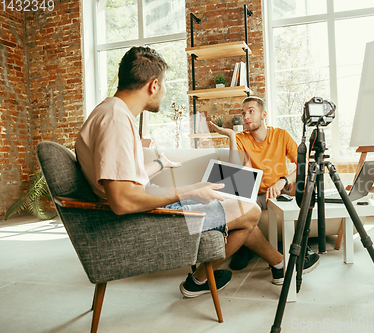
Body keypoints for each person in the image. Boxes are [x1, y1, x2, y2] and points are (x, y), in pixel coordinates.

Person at [75, 47, 287, 299]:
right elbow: (122, 201)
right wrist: (190, 190)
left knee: (238, 209)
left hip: (150, 211)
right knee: (249, 210)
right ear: (153, 85)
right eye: (164, 85)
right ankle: (207, 278)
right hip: (150, 221)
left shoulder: (112, 113)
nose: (163, 92)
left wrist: (161, 165)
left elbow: (124, 180)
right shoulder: (116, 121)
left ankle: (278, 264)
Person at [209, 96, 320, 273]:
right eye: (243, 113)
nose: (246, 116)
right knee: (239, 203)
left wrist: (284, 180)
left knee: (308, 186)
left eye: (251, 111)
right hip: (254, 194)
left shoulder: (281, 135)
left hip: (282, 187)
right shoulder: (240, 138)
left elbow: (305, 164)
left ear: (264, 114)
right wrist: (230, 136)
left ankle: (301, 244)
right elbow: (234, 172)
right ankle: (245, 247)